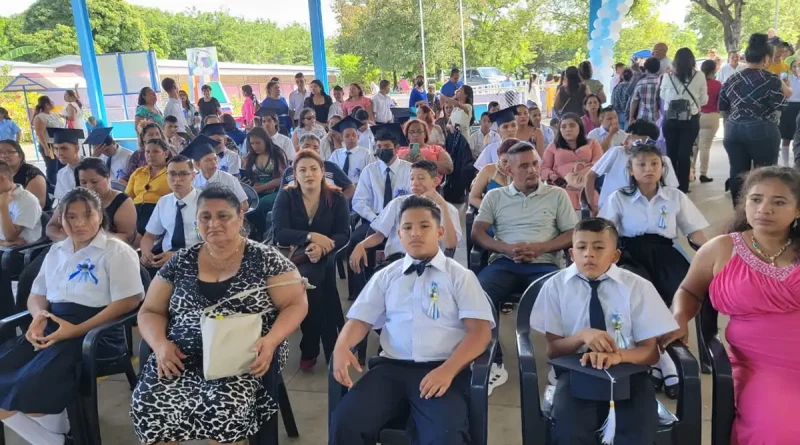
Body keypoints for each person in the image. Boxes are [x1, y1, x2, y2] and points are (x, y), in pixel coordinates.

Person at [131, 186, 308, 445]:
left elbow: (296, 304)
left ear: (239, 219)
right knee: (148, 404)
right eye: (205, 217)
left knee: (224, 407)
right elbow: (150, 310)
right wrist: (160, 345)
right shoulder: (181, 260)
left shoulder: (266, 258)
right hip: (180, 357)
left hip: (242, 357)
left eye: (223, 216)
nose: (213, 223)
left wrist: (271, 341)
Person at [329, 195, 494, 445]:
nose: (415, 233)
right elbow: (360, 320)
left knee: (444, 436)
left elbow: (480, 332)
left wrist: (448, 370)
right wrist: (342, 346)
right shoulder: (387, 275)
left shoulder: (460, 276)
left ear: (439, 231)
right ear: (399, 234)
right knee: (346, 422)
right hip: (391, 368)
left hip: (442, 367)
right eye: (407, 228)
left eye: (424, 226)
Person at [661, 166, 800, 445]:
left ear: (798, 210)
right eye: (756, 199)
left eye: (779, 202)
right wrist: (679, 316)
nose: (764, 209)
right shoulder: (721, 248)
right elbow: (689, 290)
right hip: (761, 367)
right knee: (781, 432)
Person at [0, 187, 144, 445]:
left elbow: (130, 300)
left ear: (100, 216)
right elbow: (37, 294)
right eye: (71, 217)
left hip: (95, 333)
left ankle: (57, 437)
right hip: (52, 327)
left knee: (31, 389)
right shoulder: (57, 251)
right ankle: (61, 434)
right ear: (60, 220)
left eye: (87, 215)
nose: (79, 223)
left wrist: (77, 331)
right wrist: (38, 316)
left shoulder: (116, 251)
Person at [530, 217, 678, 445]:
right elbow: (553, 350)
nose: (589, 253)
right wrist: (581, 336)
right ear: (571, 253)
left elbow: (650, 353)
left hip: (629, 373)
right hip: (575, 373)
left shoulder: (637, 287)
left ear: (615, 255)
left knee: (635, 434)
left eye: (599, 247)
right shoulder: (556, 287)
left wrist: (617, 356)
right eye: (581, 247)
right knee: (570, 434)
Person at [598, 143, 708, 398]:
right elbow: (606, 232)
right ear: (631, 169)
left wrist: (711, 254)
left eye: (654, 164)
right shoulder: (619, 197)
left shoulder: (674, 196)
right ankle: (667, 365)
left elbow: (695, 233)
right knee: (643, 297)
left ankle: (663, 363)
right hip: (631, 254)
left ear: (662, 168)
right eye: (642, 164)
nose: (648, 169)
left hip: (665, 253)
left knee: (683, 295)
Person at [472, 141, 578, 394]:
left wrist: (541, 248)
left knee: (564, 295)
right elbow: (478, 233)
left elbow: (573, 233)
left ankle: (560, 360)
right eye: (524, 166)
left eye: (534, 164)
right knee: (478, 295)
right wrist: (504, 248)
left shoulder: (556, 195)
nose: (532, 170)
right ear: (509, 169)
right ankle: (493, 360)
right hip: (504, 263)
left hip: (543, 264)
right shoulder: (495, 196)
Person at [272, 149, 350, 371]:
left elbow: (344, 233)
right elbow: (279, 232)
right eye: (302, 170)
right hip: (292, 258)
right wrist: (310, 237)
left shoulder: (336, 197)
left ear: (323, 172)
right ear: (294, 174)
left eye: (314, 169)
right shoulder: (287, 196)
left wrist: (322, 247)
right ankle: (318, 342)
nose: (309, 175)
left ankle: (310, 346)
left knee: (312, 282)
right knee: (310, 284)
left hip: (323, 256)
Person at [720, 33, 792, 206]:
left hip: (732, 130)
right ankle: (759, 211)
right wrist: (784, 86)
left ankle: (739, 214)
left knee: (737, 172)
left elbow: (722, 106)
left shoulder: (732, 78)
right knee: (764, 174)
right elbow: (780, 105)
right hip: (762, 129)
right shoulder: (770, 79)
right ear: (766, 58)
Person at [350, 159, 461, 271]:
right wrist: (361, 245)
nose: (415, 183)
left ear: (435, 182)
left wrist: (442, 206)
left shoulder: (449, 210)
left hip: (430, 264)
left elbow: (450, 245)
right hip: (397, 261)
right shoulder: (398, 203)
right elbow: (379, 235)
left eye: (421, 178)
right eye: (412, 178)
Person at [348, 125, 413, 298]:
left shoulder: (409, 170)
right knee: (355, 239)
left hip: (401, 222)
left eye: (386, 147)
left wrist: (392, 219)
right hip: (374, 219)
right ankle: (361, 293)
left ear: (397, 148)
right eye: (378, 147)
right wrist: (376, 218)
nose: (382, 150)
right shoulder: (369, 171)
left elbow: (414, 199)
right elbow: (359, 201)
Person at [586, 120, 679, 214]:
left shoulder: (662, 160)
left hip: (642, 212)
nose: (625, 141)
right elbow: (590, 175)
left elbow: (671, 191)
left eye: (630, 136)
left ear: (646, 139)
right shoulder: (618, 152)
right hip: (609, 209)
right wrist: (592, 205)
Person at [47, 157, 137, 245]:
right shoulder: (71, 198)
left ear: (107, 177)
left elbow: (127, 236)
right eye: (83, 182)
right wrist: (69, 238)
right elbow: (51, 228)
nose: (89, 187)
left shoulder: (122, 202)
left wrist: (89, 240)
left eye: (94, 182)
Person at [140, 156, 201, 277]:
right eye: (172, 174)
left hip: (198, 261)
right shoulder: (164, 202)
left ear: (193, 176)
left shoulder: (206, 201)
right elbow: (149, 235)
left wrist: (179, 255)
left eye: (183, 174)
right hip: (166, 260)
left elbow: (214, 243)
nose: (177, 179)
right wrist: (146, 252)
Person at [660, 48, 708, 193]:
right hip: (690, 120)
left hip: (670, 119)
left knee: (671, 153)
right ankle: (683, 187)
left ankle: (670, 185)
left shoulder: (667, 76)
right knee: (685, 153)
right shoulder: (700, 76)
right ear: (692, 61)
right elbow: (704, 100)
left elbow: (662, 95)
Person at [540, 113, 604, 209]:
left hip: (588, 189)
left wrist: (587, 170)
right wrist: (554, 177)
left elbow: (600, 163)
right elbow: (543, 169)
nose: (568, 129)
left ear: (580, 127)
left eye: (572, 125)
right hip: (562, 189)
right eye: (563, 127)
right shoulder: (553, 146)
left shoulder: (593, 143)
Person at [280, 134, 354, 199]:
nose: (311, 150)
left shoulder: (330, 166)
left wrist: (340, 203)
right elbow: (281, 196)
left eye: (315, 147)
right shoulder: (289, 171)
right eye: (307, 146)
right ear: (298, 149)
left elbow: (350, 187)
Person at [185, 135, 249, 210]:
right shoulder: (193, 182)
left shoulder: (229, 179)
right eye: (208, 160)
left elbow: (244, 204)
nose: (214, 163)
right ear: (198, 164)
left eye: (215, 159)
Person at [126, 138, 171, 235]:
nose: (150, 155)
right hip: (135, 210)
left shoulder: (171, 173)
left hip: (158, 211)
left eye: (156, 151)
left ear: (166, 154)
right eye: (147, 152)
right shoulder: (138, 172)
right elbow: (127, 197)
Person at [241, 127, 287, 215]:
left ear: (266, 140)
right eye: (252, 143)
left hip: (277, 191)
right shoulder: (250, 157)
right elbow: (245, 176)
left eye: (258, 143)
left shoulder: (277, 154)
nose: (255, 146)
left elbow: (282, 178)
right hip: (256, 191)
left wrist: (264, 187)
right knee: (244, 204)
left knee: (262, 204)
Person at [0, 159, 41, 251]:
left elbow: (10, 237)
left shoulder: (28, 201)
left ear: (1, 178)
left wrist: (3, 207)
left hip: (18, 254)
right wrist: (3, 243)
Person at [469, 139, 516, 210]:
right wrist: (490, 211)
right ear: (498, 155)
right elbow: (473, 198)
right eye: (505, 161)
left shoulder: (524, 171)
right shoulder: (487, 170)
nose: (508, 166)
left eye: (513, 162)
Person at [0, 140, 48, 209]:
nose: (4, 155)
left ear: (20, 156)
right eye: (0, 152)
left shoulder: (32, 174)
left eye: (10, 152)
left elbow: (36, 206)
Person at [696, 59, 722, 184]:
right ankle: (703, 173)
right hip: (712, 116)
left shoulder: (697, 83)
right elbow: (721, 102)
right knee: (705, 146)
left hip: (696, 115)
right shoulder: (717, 84)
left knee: (694, 146)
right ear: (714, 70)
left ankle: (689, 172)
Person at [328, 116, 374, 184]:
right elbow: (329, 173)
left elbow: (371, 175)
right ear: (342, 138)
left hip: (360, 190)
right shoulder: (336, 155)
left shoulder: (366, 154)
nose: (351, 138)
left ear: (358, 137)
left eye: (354, 135)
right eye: (347, 136)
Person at [32, 96, 65, 187]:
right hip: (49, 145)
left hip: (59, 144)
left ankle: (62, 185)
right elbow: (40, 134)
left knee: (62, 166)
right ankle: (53, 187)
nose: (54, 103)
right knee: (52, 167)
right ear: (47, 104)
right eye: (52, 102)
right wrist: (46, 148)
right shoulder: (40, 117)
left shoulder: (54, 114)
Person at [49, 128, 84, 200]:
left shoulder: (93, 167)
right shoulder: (61, 173)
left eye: (64, 148)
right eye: (56, 148)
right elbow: (60, 199)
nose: (59, 153)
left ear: (77, 148)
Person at [779, 60, 800, 167]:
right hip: (790, 107)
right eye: (795, 66)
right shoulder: (788, 78)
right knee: (786, 137)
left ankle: (797, 163)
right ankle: (786, 164)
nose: (797, 68)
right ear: (792, 68)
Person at [629, 57, 662, 123]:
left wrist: (631, 117)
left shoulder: (641, 82)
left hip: (643, 119)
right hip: (658, 119)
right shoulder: (662, 82)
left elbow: (634, 101)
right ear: (658, 68)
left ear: (645, 68)